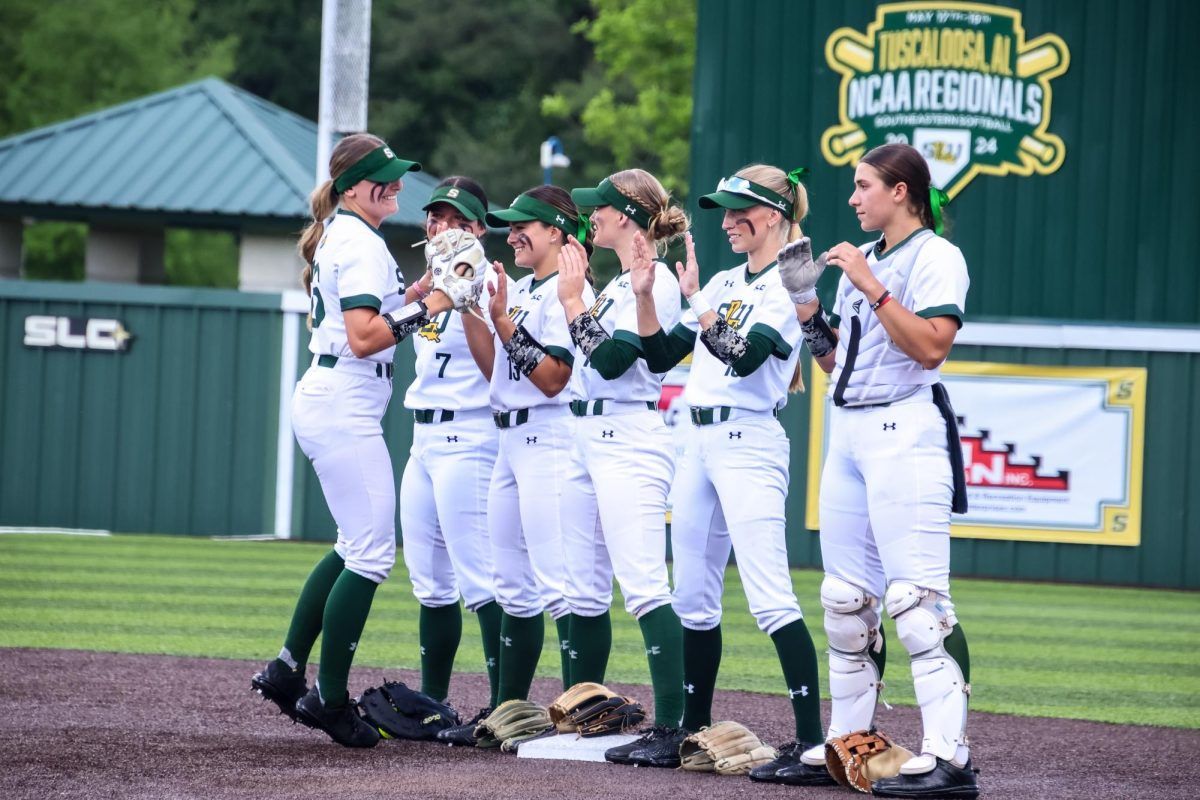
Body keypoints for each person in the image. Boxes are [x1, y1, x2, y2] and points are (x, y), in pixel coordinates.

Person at [780, 143, 977, 798]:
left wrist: (872, 284)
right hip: (851, 432)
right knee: (845, 601)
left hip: (906, 429)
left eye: (864, 186)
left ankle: (951, 757)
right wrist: (808, 306)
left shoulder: (935, 256)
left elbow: (929, 346)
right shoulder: (864, 266)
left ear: (902, 192)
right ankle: (852, 745)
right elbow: (838, 364)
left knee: (917, 604)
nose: (853, 197)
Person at [250, 133, 459, 748]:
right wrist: (436, 303)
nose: (394, 185)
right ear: (349, 186)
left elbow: (371, 317)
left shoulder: (349, 235)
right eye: (381, 177)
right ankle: (331, 700)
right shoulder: (358, 241)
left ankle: (288, 669)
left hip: (336, 394)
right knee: (370, 553)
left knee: (353, 546)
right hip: (344, 396)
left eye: (395, 175)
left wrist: (421, 291)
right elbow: (367, 336)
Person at [628, 165, 832, 784]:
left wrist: (698, 303)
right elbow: (664, 355)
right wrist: (643, 294)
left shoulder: (791, 277)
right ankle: (691, 729)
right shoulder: (721, 278)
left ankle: (810, 744)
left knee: (769, 593)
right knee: (691, 595)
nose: (728, 219)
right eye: (724, 209)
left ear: (773, 214)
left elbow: (745, 360)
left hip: (748, 439)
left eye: (740, 208)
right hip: (696, 438)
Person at [440, 186, 593, 744]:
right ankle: (509, 711)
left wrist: (502, 318)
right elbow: (494, 369)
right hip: (510, 437)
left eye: (523, 224)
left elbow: (552, 377)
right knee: (512, 586)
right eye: (508, 225)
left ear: (557, 231)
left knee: (559, 584)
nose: (512, 233)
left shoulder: (569, 290)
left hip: (550, 436)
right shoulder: (526, 289)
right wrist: (472, 309)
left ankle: (584, 716)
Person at [553, 170, 689, 764]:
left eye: (600, 209)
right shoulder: (613, 283)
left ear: (627, 215)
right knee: (582, 586)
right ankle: (584, 711)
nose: (591, 217)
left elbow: (611, 363)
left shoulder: (653, 280)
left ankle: (671, 726)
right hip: (588, 433)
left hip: (628, 433)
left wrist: (572, 297)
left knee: (641, 584)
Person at [398, 177, 503, 724]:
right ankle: (432, 702)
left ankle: (501, 705)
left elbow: (495, 371)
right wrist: (421, 292)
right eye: (435, 216)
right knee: (430, 581)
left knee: (479, 577)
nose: (440, 225)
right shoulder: (432, 280)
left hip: (471, 433)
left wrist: (466, 301)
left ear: (479, 229)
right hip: (423, 436)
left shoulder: (486, 282)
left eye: (456, 219)